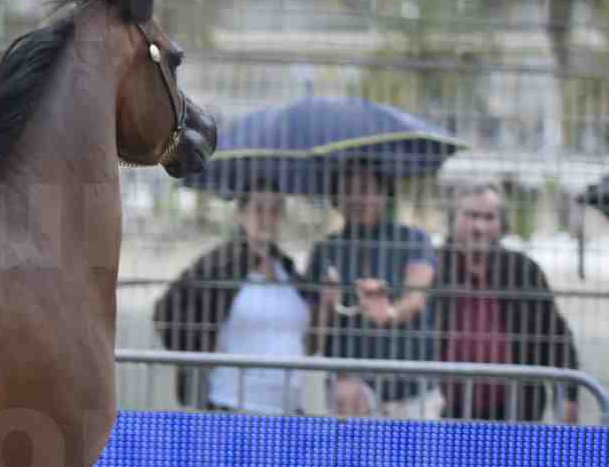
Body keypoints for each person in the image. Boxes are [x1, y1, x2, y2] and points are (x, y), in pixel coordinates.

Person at [153, 186, 339, 414]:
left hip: (287, 410)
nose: (267, 218)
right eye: (258, 209)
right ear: (241, 214)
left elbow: (309, 346)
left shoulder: (288, 270)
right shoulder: (219, 264)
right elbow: (165, 312)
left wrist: (326, 307)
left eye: (275, 210)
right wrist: (199, 350)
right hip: (232, 406)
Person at [430, 180, 581, 423]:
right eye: (471, 215)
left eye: (489, 217)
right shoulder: (432, 267)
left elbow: (557, 338)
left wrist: (569, 399)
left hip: (516, 412)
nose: (479, 226)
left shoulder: (523, 270)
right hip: (444, 412)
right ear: (453, 218)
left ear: (501, 224)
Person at [306, 165, 443, 419]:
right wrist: (326, 304)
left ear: (384, 193)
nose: (357, 199)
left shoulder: (413, 240)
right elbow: (312, 341)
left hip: (412, 392)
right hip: (352, 394)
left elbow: (416, 297)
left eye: (366, 190)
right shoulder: (326, 250)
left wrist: (389, 313)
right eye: (348, 191)